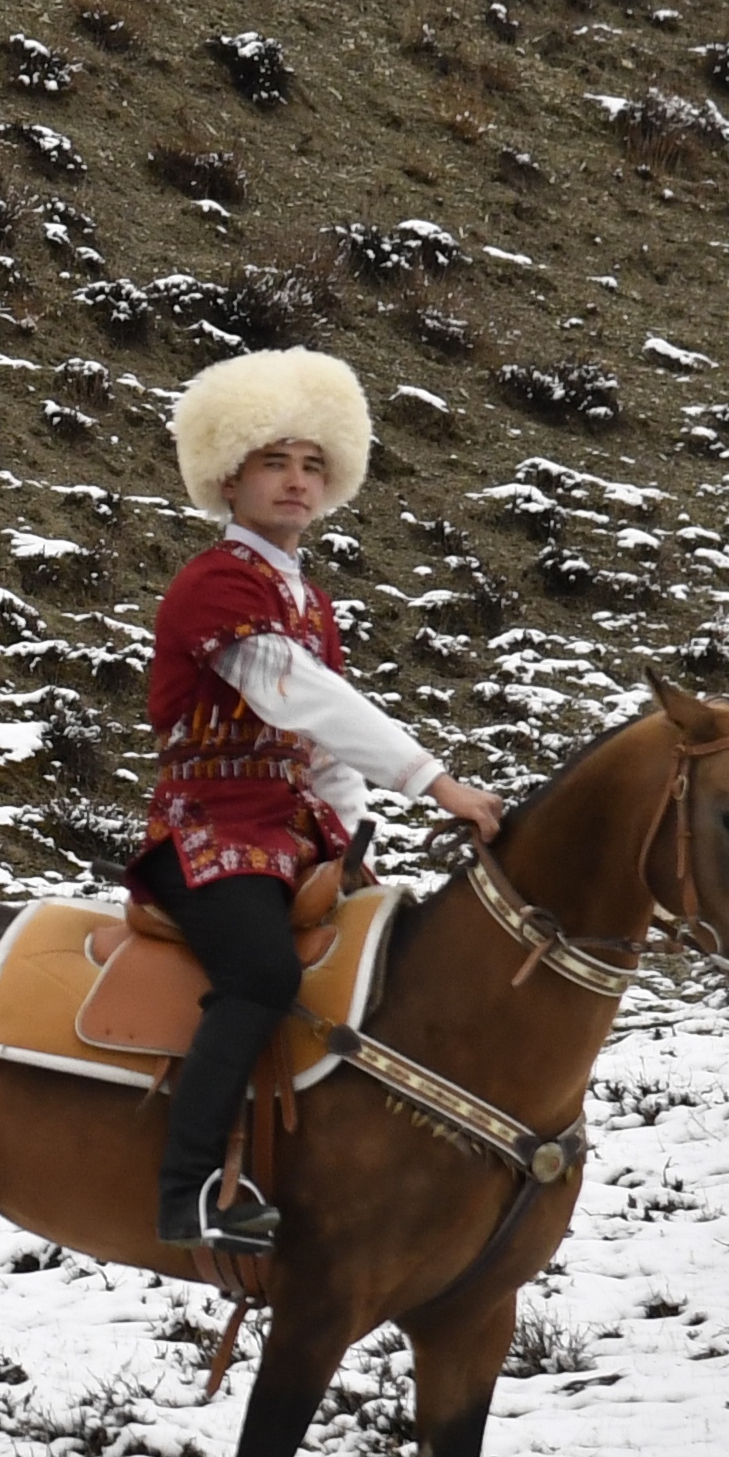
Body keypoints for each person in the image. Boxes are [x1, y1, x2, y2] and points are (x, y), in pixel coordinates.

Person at [141, 349, 507, 1258]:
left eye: (313, 464)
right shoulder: (216, 583)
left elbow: (326, 744)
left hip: (295, 833)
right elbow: (299, 697)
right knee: (262, 976)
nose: (297, 482)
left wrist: (348, 848)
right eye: (275, 461)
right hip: (212, 833)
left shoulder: (310, 599)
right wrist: (436, 781)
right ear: (229, 476)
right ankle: (185, 1194)